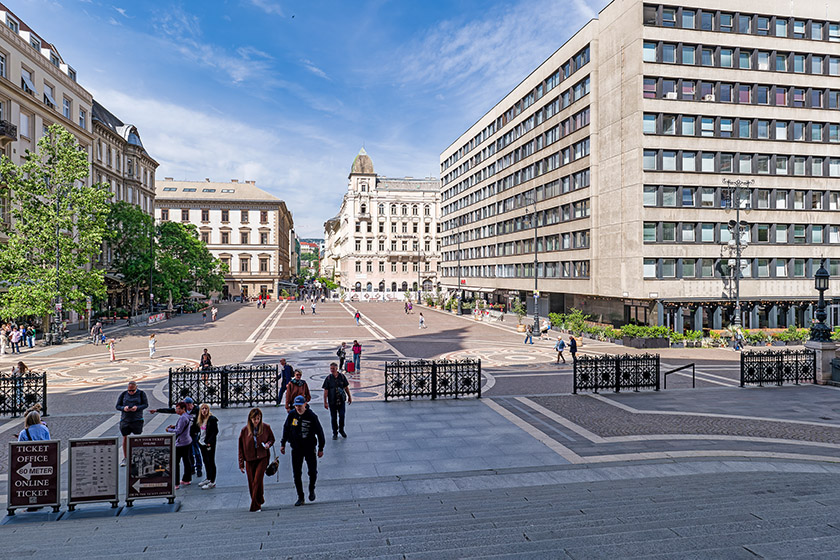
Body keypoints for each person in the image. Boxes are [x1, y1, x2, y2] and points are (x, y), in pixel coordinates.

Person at [281, 395, 326, 506]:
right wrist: (283, 443)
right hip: (296, 448)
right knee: (296, 473)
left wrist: (321, 448)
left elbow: (320, 432)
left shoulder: (312, 416)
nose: (298, 408)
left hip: (309, 447)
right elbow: (286, 428)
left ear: (305, 404)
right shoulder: (292, 415)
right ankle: (300, 496)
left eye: (300, 405)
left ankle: (311, 488)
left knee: (312, 471)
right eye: (296, 405)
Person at [151, 397, 202, 477]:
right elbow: (171, 410)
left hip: (193, 433)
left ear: (190, 404)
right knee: (189, 453)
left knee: (195, 451)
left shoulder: (196, 410)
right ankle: (192, 468)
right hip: (186, 435)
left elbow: (198, 421)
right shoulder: (184, 413)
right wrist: (157, 410)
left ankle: (199, 468)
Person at [238, 408, 275, 512]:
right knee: (251, 482)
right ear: (250, 419)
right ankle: (259, 498)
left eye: (258, 419)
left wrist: (268, 444)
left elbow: (272, 439)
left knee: (257, 480)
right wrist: (241, 463)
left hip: (262, 457)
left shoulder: (266, 428)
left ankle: (255, 505)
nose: (256, 421)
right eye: (254, 419)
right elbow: (240, 447)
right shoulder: (244, 430)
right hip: (249, 459)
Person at [115, 381, 148, 466]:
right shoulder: (123, 394)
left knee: (137, 439)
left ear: (136, 388)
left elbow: (145, 404)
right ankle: (126, 458)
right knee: (125, 438)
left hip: (137, 419)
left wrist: (137, 408)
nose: (131, 392)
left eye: (132, 391)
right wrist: (124, 408)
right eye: (129, 390)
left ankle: (137, 458)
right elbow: (117, 406)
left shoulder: (141, 394)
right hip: (125, 420)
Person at [166, 402, 194, 489]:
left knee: (175, 463)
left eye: (178, 409)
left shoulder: (182, 418)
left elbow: (178, 431)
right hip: (187, 441)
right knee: (187, 460)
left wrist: (169, 430)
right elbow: (182, 427)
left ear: (183, 409)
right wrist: (175, 426)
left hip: (181, 443)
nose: (176, 410)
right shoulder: (188, 416)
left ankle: (176, 483)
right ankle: (187, 479)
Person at [322, 362, 352, 440]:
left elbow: (346, 387)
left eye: (333, 368)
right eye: (331, 368)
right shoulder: (328, 378)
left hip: (341, 401)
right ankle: (335, 432)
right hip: (332, 401)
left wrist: (349, 397)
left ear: (337, 368)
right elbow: (326, 390)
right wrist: (325, 402)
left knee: (342, 416)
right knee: (333, 417)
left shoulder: (342, 377)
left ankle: (341, 429)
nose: (332, 370)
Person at [196, 403, 219, 489]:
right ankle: (208, 478)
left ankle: (212, 481)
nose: (204, 410)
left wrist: (209, 442)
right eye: (202, 409)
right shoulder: (200, 420)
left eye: (206, 408)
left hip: (208, 444)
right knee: (205, 461)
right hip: (202, 443)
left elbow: (215, 432)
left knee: (211, 462)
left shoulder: (212, 419)